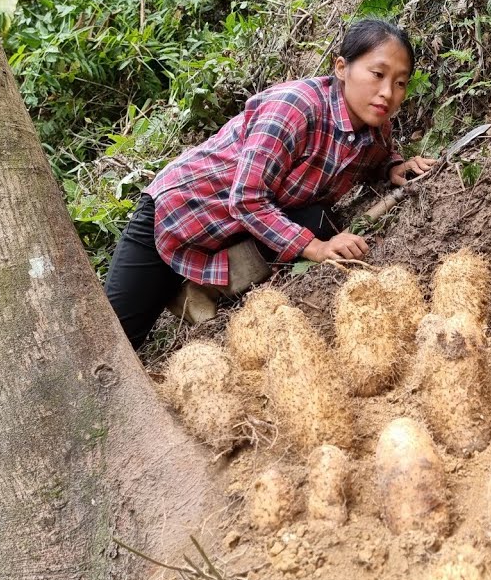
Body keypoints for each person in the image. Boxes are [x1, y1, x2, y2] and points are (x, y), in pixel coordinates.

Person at [104, 18, 435, 349]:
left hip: (235, 234)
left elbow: (380, 156)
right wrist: (317, 249)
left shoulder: (375, 130)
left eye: (401, 83)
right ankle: (177, 289)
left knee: (319, 220)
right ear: (341, 68)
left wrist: (395, 167)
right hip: (178, 218)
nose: (387, 93)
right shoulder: (294, 108)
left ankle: (201, 289)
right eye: (377, 74)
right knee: (115, 345)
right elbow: (247, 199)